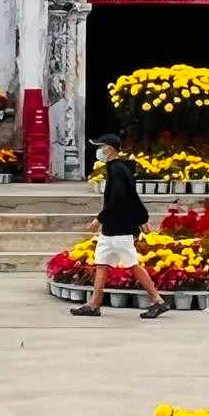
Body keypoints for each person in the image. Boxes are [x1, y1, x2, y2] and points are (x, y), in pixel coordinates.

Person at [73, 133, 166, 319]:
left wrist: (99, 219)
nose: (100, 151)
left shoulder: (117, 170)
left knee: (132, 264)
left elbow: (119, 199)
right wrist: (142, 217)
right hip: (112, 228)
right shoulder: (118, 168)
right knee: (101, 262)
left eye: (102, 147)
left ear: (111, 148)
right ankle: (94, 304)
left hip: (119, 227)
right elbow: (133, 196)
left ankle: (158, 300)